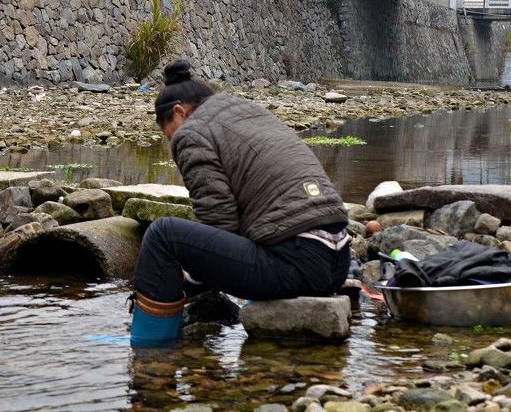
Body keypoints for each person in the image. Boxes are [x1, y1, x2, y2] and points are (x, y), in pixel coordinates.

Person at [129, 60, 351, 346]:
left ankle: (149, 353)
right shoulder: (247, 111)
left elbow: (220, 223)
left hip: (296, 262)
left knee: (163, 235)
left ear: (179, 112)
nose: (171, 141)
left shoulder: (191, 132)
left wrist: (193, 274)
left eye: (167, 133)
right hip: (338, 260)